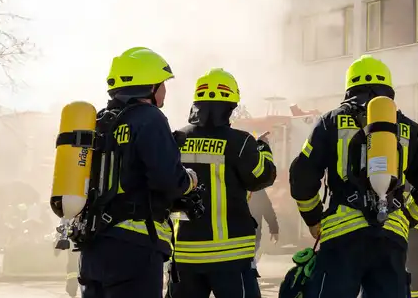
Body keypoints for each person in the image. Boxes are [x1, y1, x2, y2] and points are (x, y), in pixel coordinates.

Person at [289, 55, 418, 298]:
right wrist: (406, 219)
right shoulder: (409, 128)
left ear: (350, 87)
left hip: (341, 236)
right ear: (389, 89)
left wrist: (313, 219)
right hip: (391, 237)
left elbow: (302, 177)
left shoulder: (330, 122)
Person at [78, 47, 200, 298]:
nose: (165, 90)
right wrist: (189, 180)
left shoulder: (101, 121)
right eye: (163, 83)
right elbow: (167, 180)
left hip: (94, 247)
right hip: (135, 250)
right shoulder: (149, 117)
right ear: (150, 87)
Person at [168, 68, 277, 298]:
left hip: (185, 253)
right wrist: (263, 149)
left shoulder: (175, 138)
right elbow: (262, 178)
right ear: (230, 106)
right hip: (231, 257)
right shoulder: (241, 142)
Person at [248, 186, 280, 270]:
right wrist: (274, 229)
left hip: (235, 234)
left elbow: (266, 207)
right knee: (250, 265)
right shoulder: (255, 184)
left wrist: (274, 228)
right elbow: (266, 207)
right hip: (253, 233)